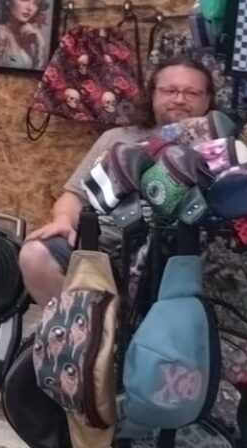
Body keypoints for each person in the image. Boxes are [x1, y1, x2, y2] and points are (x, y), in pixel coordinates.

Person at [18, 55, 217, 303]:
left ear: (207, 100)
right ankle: (86, 325)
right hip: (101, 247)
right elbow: (74, 196)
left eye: (192, 93)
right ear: (152, 94)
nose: (179, 99)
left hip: (170, 256)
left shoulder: (219, 148)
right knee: (35, 255)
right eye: (170, 90)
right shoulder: (116, 138)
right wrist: (64, 220)